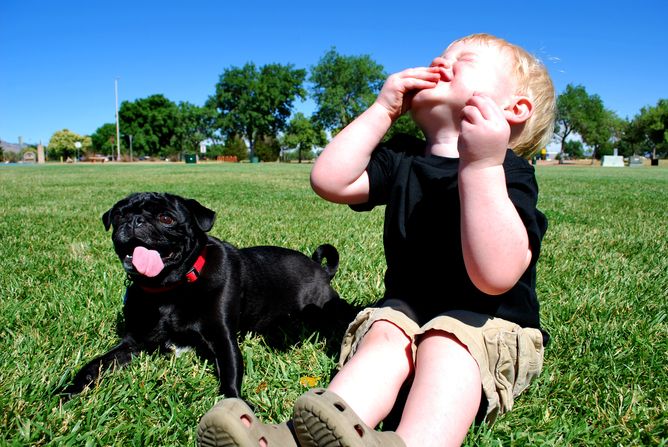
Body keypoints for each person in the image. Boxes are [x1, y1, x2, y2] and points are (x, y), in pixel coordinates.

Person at [197, 33, 556, 447]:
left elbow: (496, 275)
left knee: (447, 341)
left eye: (464, 60)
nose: (441, 62)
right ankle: (296, 439)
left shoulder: (506, 171)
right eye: (440, 55)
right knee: (384, 330)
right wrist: (383, 109)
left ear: (514, 108)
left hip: (485, 324)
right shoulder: (404, 156)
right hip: (408, 312)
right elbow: (330, 180)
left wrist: (481, 164)